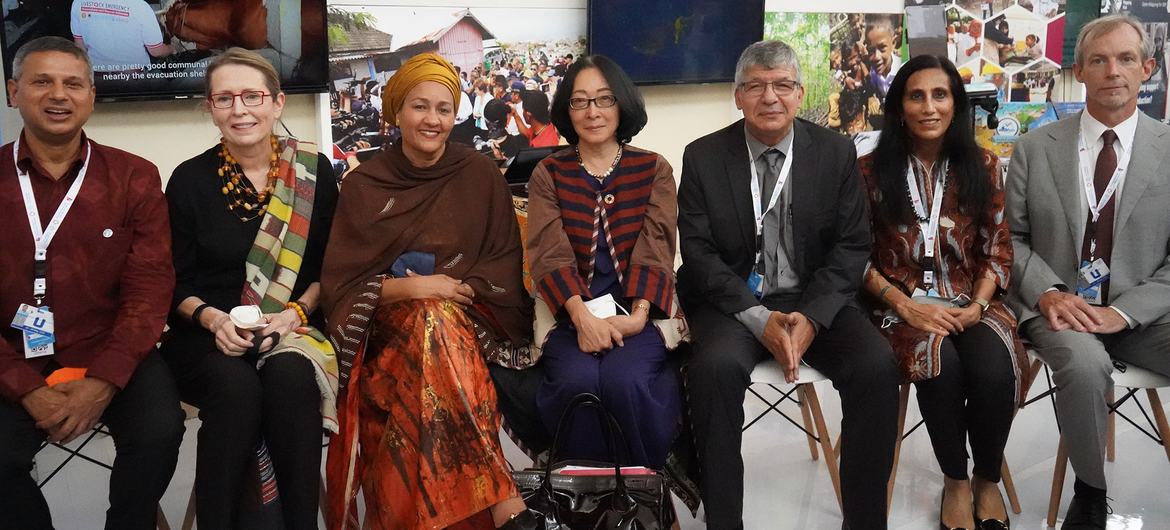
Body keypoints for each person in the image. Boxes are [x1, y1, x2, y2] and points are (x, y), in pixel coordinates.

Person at [678, 39, 899, 530]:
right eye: (755, 86)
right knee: (712, 371)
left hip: (815, 299)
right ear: (737, 96)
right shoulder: (703, 157)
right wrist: (759, 320)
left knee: (876, 366)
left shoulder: (836, 153)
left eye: (782, 85)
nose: (769, 97)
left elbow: (851, 247)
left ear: (800, 94)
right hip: (734, 301)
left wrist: (814, 318)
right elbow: (698, 255)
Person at [320, 52, 539, 530]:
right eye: (420, 107)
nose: (433, 120)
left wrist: (447, 291)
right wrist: (415, 288)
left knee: (434, 323)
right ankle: (500, 493)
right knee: (428, 318)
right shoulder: (365, 184)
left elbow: (503, 259)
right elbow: (345, 284)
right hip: (382, 334)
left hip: (468, 318)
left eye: (444, 108)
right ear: (397, 111)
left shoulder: (478, 173)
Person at [0, 36, 183, 530]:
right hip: (11, 355)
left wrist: (102, 382)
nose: (58, 95)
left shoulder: (134, 177)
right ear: (14, 92)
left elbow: (150, 289)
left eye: (73, 83)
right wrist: (25, 389)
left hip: (111, 349)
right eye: (42, 82)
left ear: (92, 96)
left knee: (159, 432)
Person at [159, 48, 338, 529]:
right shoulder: (189, 180)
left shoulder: (314, 172)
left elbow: (332, 267)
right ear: (209, 108)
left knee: (290, 380)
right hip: (206, 332)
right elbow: (172, 279)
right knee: (234, 388)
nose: (240, 109)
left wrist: (293, 316)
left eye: (252, 96)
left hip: (292, 326)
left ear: (277, 103)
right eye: (224, 98)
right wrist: (214, 320)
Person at [1006, 15, 1170, 530]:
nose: (1112, 71)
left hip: (1142, 314)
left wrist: (1124, 313)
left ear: (1147, 68)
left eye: (1125, 59)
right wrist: (1049, 292)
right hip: (1058, 309)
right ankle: (1091, 493)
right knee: (1082, 365)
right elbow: (1007, 239)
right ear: (1078, 70)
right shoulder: (1035, 148)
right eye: (1098, 60)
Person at [859, 55, 1026, 530]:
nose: (929, 107)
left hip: (972, 301)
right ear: (899, 107)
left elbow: (998, 246)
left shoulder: (984, 164)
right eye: (916, 95)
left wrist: (976, 305)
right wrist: (904, 305)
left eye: (940, 94)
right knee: (940, 365)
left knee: (995, 369)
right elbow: (855, 256)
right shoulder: (869, 171)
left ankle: (986, 479)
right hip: (897, 307)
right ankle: (955, 481)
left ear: (955, 104)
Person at [526, 54, 682, 469]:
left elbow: (658, 245)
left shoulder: (653, 169)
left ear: (622, 104)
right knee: (577, 382)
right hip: (569, 314)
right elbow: (548, 249)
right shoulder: (549, 172)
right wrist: (581, 317)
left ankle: (641, 490)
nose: (592, 111)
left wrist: (637, 316)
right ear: (567, 110)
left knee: (625, 381)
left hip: (638, 313)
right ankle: (583, 501)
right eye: (580, 101)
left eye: (604, 99)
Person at [70, 0, 172, 72]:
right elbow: (156, 51)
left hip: (95, 79)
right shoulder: (140, 6)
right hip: (134, 80)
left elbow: (80, 46)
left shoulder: (78, 2)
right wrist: (173, 48)